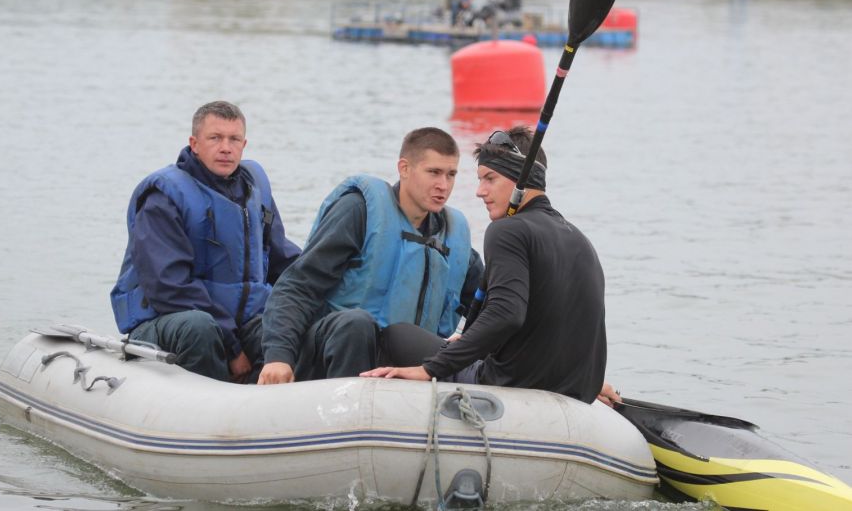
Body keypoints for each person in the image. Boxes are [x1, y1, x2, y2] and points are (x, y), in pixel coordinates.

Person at [361, 126, 608, 405]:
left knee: (397, 334)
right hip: (576, 389)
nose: (480, 192)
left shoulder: (508, 230)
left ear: (521, 181)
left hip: (513, 385)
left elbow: (506, 314)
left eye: (490, 178)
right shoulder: (580, 239)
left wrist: (430, 368)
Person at [258, 127, 484, 385]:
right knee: (356, 323)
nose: (443, 185)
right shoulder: (359, 212)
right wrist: (278, 356)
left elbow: (491, 307)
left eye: (451, 174)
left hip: (401, 359)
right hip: (336, 348)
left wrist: (470, 341)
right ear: (405, 168)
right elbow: (297, 287)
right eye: (433, 172)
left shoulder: (453, 238)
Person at [110, 101, 301, 383]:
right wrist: (233, 348)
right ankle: (199, 413)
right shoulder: (163, 198)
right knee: (199, 327)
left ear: (244, 144)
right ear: (194, 143)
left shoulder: (254, 190)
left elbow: (282, 260)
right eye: (215, 138)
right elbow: (169, 287)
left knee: (278, 332)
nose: (226, 147)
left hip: (240, 322)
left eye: (234, 139)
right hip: (168, 321)